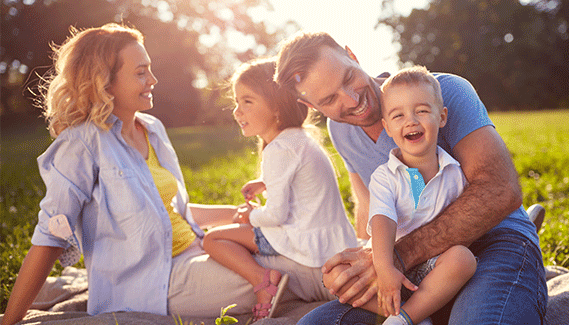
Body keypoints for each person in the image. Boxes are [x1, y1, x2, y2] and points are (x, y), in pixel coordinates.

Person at [0, 25, 332, 325]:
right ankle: (366, 287)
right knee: (290, 270)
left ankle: (368, 269)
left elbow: (172, 212)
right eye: (141, 73)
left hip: (197, 250)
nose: (152, 81)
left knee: (300, 245)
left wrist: (239, 215)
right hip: (156, 283)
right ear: (105, 81)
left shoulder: (152, 129)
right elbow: (50, 238)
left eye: (150, 70)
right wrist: (11, 320)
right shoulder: (81, 145)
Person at [275, 31, 547, 324]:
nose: (352, 100)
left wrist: (398, 256)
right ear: (314, 108)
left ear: (352, 54)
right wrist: (364, 263)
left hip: (492, 241)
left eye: (348, 78)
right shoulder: (340, 130)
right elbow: (368, 210)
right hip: (417, 268)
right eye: (330, 99)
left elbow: (500, 191)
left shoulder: (445, 91)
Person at [202, 58, 357, 322]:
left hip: (308, 250)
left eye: (247, 102)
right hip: (332, 244)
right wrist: (264, 182)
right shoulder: (300, 139)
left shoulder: (279, 149)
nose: (237, 111)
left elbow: (275, 215)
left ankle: (263, 281)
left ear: (276, 107)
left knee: (212, 239)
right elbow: (299, 180)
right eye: (237, 102)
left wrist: (247, 217)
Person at [357, 66, 476, 325]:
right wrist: (385, 268)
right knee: (340, 278)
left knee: (463, 259)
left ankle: (405, 318)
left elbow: (467, 221)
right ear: (387, 128)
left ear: (441, 117)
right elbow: (382, 220)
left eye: (421, 111)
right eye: (398, 115)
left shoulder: (455, 172)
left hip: (437, 268)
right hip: (394, 266)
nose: (411, 121)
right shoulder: (384, 176)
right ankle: (417, 311)